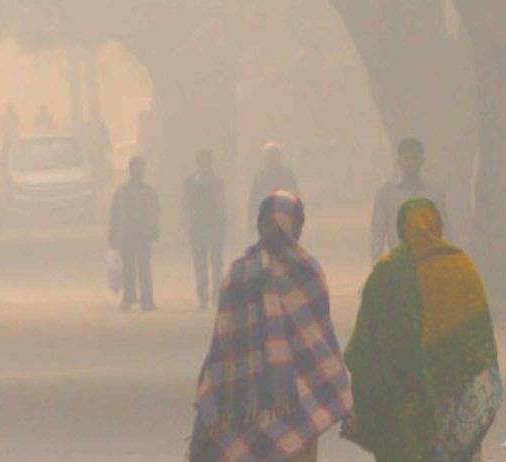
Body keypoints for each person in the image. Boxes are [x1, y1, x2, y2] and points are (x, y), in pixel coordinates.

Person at [189, 191, 353, 462]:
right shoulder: (308, 271)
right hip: (300, 405)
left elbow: (223, 345)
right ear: (298, 225)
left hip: (244, 399)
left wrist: (212, 392)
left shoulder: (237, 272)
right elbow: (322, 340)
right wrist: (338, 391)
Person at [343, 198, 501, 462]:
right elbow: (481, 340)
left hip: (402, 407)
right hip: (456, 399)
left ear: (401, 229)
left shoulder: (386, 272)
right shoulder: (461, 265)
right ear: (437, 225)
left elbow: (365, 347)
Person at [370, 137, 449, 260]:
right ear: (399, 161)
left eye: (415, 158)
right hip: (398, 261)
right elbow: (378, 229)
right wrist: (376, 260)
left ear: (422, 160)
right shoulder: (386, 194)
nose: (411, 163)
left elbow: (443, 228)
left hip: (428, 260)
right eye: (407, 158)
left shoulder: (434, 194)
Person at [108, 157, 159, 311]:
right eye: (135, 168)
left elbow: (154, 213)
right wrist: (112, 235)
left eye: (140, 169)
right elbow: (115, 214)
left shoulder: (149, 192)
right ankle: (129, 298)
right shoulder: (121, 192)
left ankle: (147, 300)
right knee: (128, 268)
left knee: (144, 268)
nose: (138, 172)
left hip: (143, 234)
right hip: (127, 234)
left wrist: (154, 230)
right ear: (130, 170)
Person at [183, 149, 226, 309]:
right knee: (200, 262)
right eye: (201, 161)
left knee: (216, 262)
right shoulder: (190, 181)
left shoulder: (217, 181)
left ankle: (216, 295)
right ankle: (202, 296)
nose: (204, 164)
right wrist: (188, 221)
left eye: (207, 160)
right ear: (197, 162)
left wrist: (223, 219)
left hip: (215, 226)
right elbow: (186, 203)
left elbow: (221, 202)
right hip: (198, 227)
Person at [248, 143, 299, 228]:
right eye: (270, 157)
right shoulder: (288, 175)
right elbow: (253, 201)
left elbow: (253, 202)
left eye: (273, 157)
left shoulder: (260, 177)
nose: (272, 160)